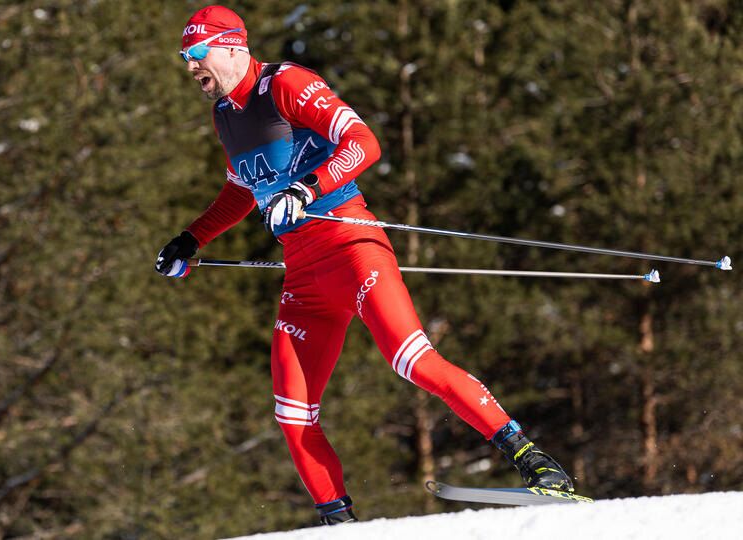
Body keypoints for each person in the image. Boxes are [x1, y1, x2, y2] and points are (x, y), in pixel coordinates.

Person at [156, 5, 573, 525]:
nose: (192, 66)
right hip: (303, 274)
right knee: (292, 412)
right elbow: (241, 190)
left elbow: (364, 143)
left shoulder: (285, 84)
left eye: (198, 53)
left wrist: (305, 187)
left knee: (412, 360)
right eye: (184, 57)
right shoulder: (225, 115)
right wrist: (189, 238)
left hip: (352, 247)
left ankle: (539, 466)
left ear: (233, 46)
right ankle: (339, 524)